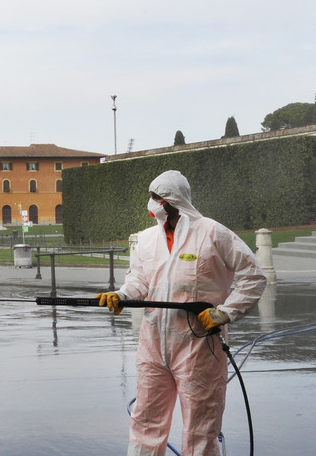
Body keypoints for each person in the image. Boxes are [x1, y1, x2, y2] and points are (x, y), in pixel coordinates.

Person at [97, 170, 266, 456]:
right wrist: (122, 295)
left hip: (199, 347)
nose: (151, 203)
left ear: (172, 200)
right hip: (153, 346)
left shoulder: (212, 232)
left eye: (156, 197)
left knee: (200, 427)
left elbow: (254, 276)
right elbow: (139, 280)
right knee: (145, 421)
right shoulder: (148, 239)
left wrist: (225, 312)